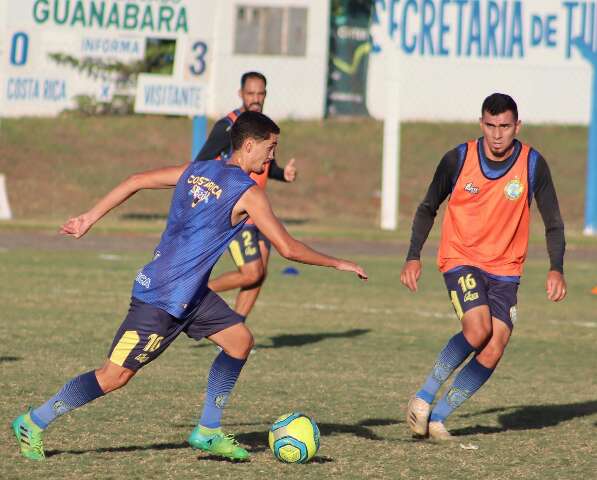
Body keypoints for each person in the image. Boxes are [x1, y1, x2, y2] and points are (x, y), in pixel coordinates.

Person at [12, 111, 367, 462]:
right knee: (113, 376)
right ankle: (33, 420)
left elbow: (136, 179)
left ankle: (208, 431)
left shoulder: (196, 169)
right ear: (248, 145)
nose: (272, 156)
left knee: (239, 341)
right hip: (162, 298)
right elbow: (288, 248)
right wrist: (338, 262)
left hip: (191, 293)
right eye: (270, 148)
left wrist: (89, 217)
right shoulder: (248, 193)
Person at [401, 93, 567, 440]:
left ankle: (437, 419)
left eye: (504, 126)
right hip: (461, 259)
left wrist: (556, 268)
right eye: (490, 126)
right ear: (481, 124)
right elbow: (428, 207)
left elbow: (553, 221)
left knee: (495, 345)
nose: (496, 134)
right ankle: (423, 397)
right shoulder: (458, 159)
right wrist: (413, 255)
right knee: (477, 331)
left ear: (516, 126)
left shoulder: (533, 164)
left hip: (506, 269)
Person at [195, 71, 297, 318]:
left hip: (258, 211)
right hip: (236, 210)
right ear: (241, 94)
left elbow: (266, 165)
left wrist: (283, 174)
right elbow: (201, 164)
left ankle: (235, 330)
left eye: (260, 93)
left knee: (258, 275)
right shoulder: (228, 126)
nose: (256, 98)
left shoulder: (265, 127)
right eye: (250, 93)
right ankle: (196, 293)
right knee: (251, 272)